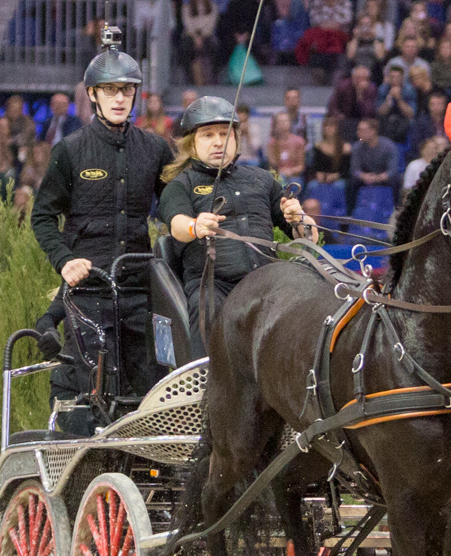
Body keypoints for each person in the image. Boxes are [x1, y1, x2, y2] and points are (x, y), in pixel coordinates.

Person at [30, 27, 172, 429]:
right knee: (90, 392)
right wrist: (64, 260)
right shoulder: (70, 150)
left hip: (141, 291)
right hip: (88, 290)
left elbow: (176, 204)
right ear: (92, 94)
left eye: (126, 90)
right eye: (110, 91)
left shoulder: (156, 149)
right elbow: (42, 217)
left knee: (149, 389)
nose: (119, 98)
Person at [158, 96, 314, 346]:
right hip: (214, 288)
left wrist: (300, 218)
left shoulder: (262, 180)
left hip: (267, 285)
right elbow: (177, 226)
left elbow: (308, 237)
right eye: (207, 135)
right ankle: (205, 381)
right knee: (205, 305)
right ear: (191, 143)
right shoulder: (180, 186)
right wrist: (195, 226)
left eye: (225, 134)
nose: (218, 142)